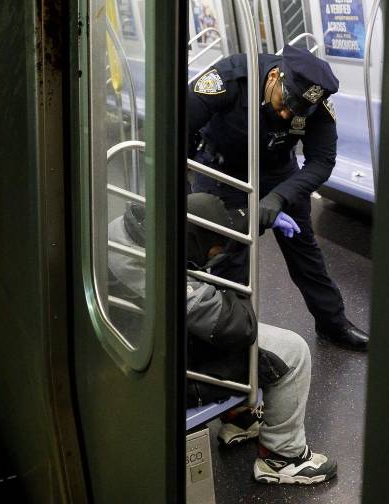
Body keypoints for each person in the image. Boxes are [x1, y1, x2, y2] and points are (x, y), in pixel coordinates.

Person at [107, 193, 337, 485]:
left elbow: (212, 224)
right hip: (162, 371)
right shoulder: (155, 275)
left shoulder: (130, 228)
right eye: (213, 252)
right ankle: (283, 458)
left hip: (136, 341)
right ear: (197, 243)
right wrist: (233, 288)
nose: (216, 257)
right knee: (292, 351)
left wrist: (256, 217)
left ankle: (239, 417)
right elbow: (238, 326)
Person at [187, 45, 369, 351]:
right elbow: (178, 123)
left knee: (305, 250)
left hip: (277, 171)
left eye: (295, 112)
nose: (286, 114)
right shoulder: (230, 78)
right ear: (274, 76)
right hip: (222, 171)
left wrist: (279, 197)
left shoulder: (316, 104)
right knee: (229, 257)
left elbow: (322, 160)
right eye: (284, 105)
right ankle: (229, 337)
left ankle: (332, 323)